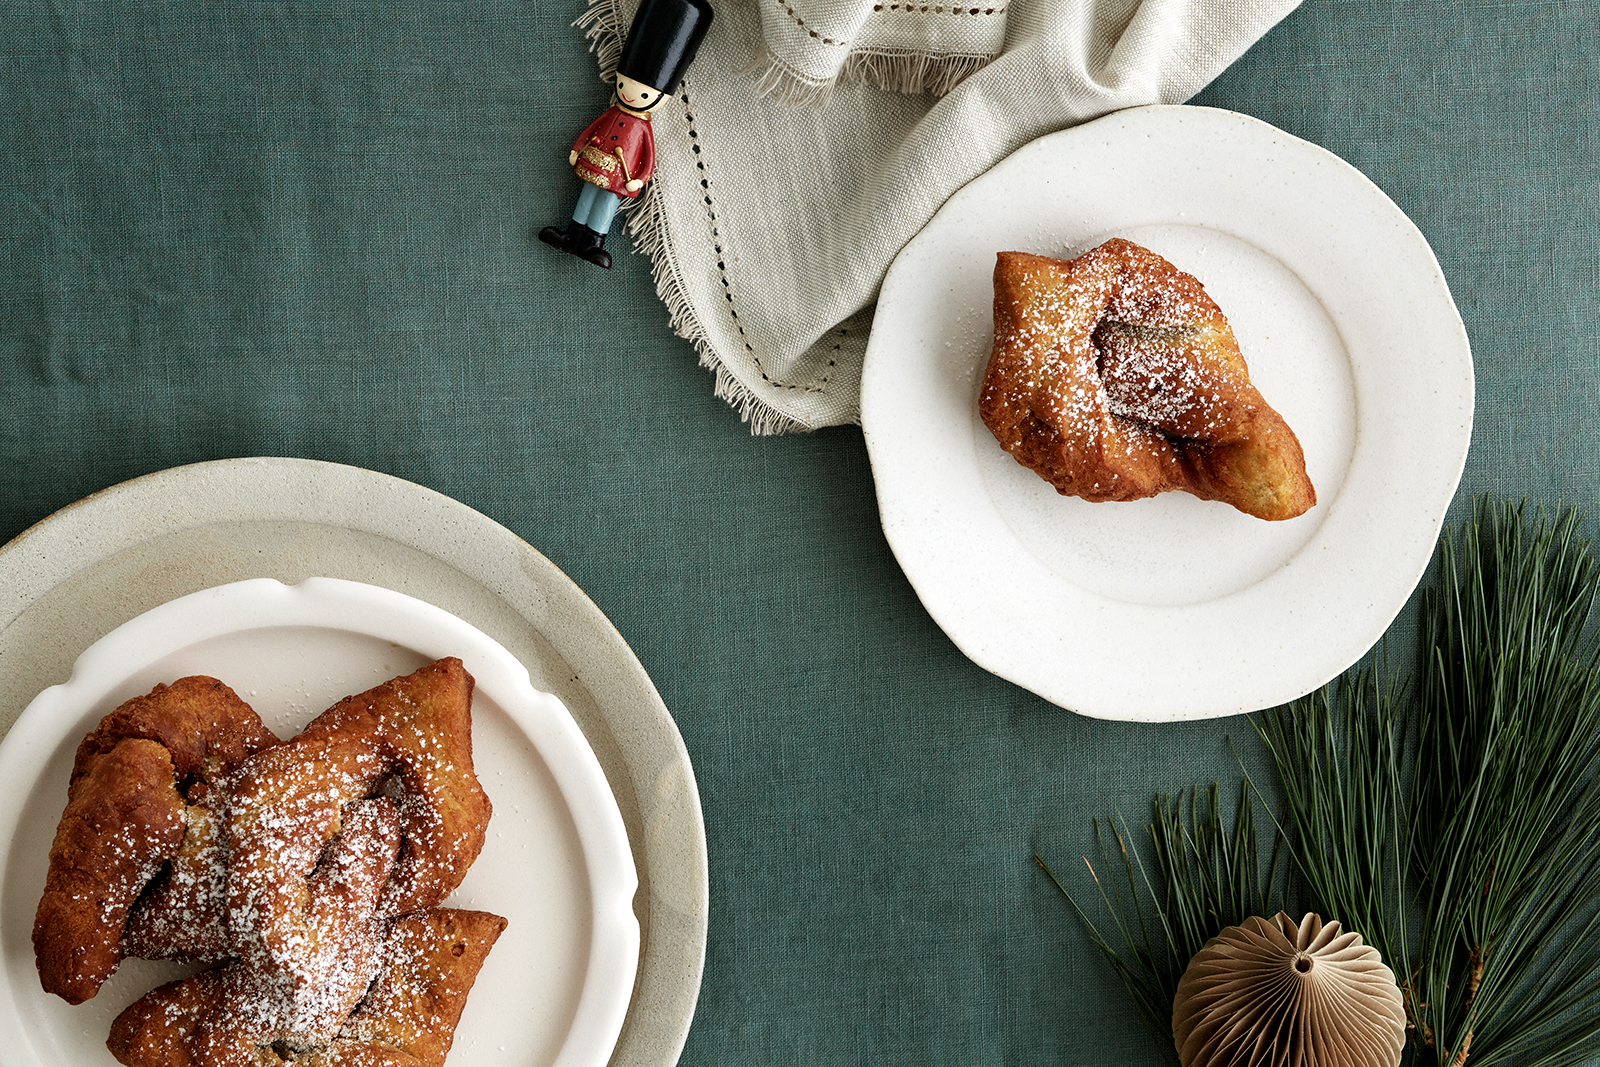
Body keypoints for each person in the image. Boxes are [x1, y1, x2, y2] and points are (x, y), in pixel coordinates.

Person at [540, 0, 713, 269]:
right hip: (595, 166)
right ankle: (572, 235)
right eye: (625, 85)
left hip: (621, 176)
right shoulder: (614, 112)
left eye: (644, 94)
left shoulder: (643, 127)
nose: (631, 95)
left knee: (606, 204)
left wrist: (639, 179)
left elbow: (648, 156)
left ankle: (593, 242)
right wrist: (578, 149)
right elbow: (590, 130)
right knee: (587, 196)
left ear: (660, 96)